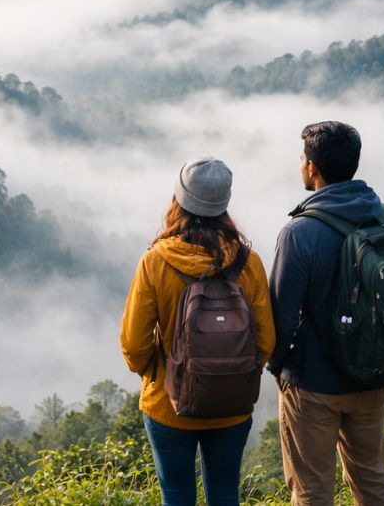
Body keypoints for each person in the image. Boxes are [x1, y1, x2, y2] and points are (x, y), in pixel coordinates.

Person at [120, 155, 275, 506]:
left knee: (176, 495)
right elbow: (265, 340)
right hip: (233, 404)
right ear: (225, 203)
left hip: (168, 404)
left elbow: (134, 343)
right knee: (224, 493)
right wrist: (233, 371)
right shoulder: (248, 262)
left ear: (178, 200)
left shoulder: (156, 261)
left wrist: (158, 373)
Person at [266, 121, 384, 506]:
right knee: (372, 479)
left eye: (301, 159)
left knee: (311, 490)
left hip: (313, 385)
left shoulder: (300, 234)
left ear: (312, 168)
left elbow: (282, 315)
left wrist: (280, 368)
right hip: (372, 377)